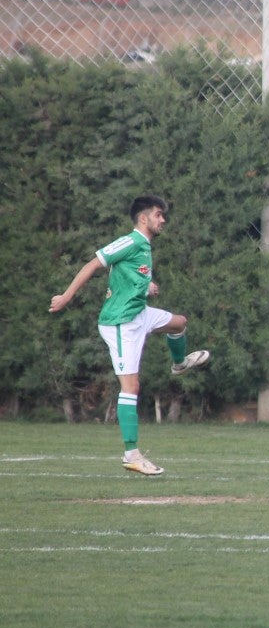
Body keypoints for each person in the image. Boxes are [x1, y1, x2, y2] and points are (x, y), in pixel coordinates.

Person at [48, 195, 210, 476]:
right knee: (131, 387)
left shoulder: (144, 247)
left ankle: (179, 363)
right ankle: (132, 454)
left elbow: (128, 275)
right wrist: (66, 296)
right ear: (144, 218)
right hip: (121, 323)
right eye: (159, 215)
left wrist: (147, 287)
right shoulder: (132, 240)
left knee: (179, 323)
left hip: (139, 313)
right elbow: (93, 264)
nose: (163, 220)